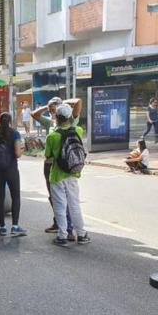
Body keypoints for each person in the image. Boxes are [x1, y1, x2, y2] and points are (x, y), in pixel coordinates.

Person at [32, 97, 80, 236]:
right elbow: (34, 115)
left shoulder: (71, 122)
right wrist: (47, 107)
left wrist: (63, 104)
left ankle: (67, 229)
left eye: (55, 111)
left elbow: (78, 103)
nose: (53, 113)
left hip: (63, 165)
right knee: (54, 197)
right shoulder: (50, 122)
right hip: (50, 166)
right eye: (51, 111)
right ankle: (60, 223)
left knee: (65, 199)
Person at [44, 104, 90, 246]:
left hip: (57, 176)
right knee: (74, 205)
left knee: (60, 206)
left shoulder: (52, 136)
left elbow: (48, 156)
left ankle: (62, 236)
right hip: (73, 174)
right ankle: (81, 234)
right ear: (70, 117)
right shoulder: (78, 130)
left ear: (56, 117)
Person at [0, 112, 26, 236]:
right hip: (11, 169)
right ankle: (15, 226)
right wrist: (21, 150)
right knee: (16, 197)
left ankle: (2, 227)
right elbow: (18, 154)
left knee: (0, 197)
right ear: (10, 121)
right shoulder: (14, 134)